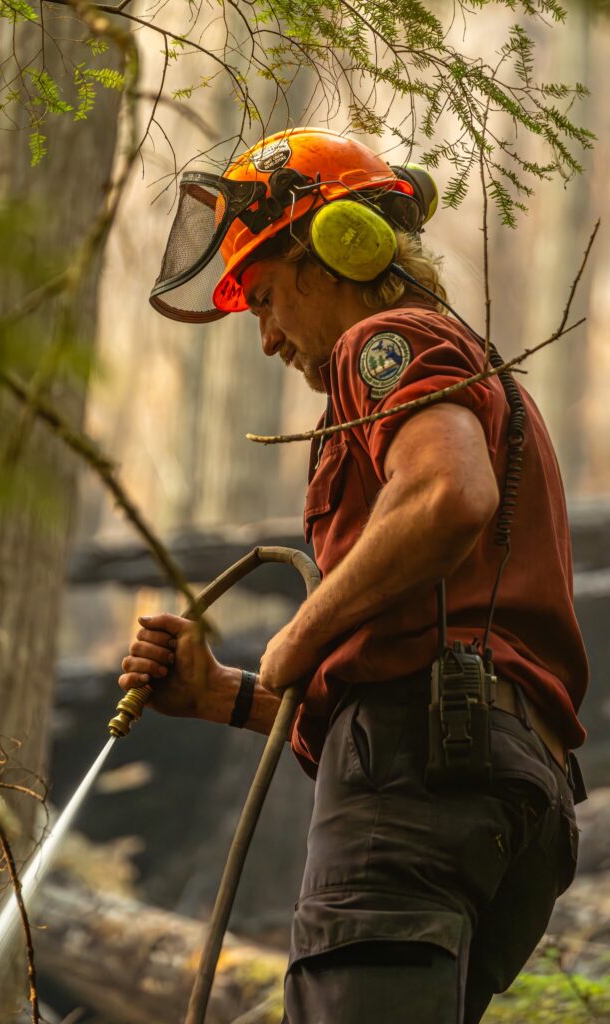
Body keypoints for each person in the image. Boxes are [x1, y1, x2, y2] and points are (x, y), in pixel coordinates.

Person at [119, 127, 588, 1023]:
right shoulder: (468, 376)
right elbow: (404, 665)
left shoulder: (385, 339)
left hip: (422, 780)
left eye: (262, 298)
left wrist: (292, 637)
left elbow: (447, 496)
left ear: (337, 251)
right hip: (502, 785)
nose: (265, 339)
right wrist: (223, 694)